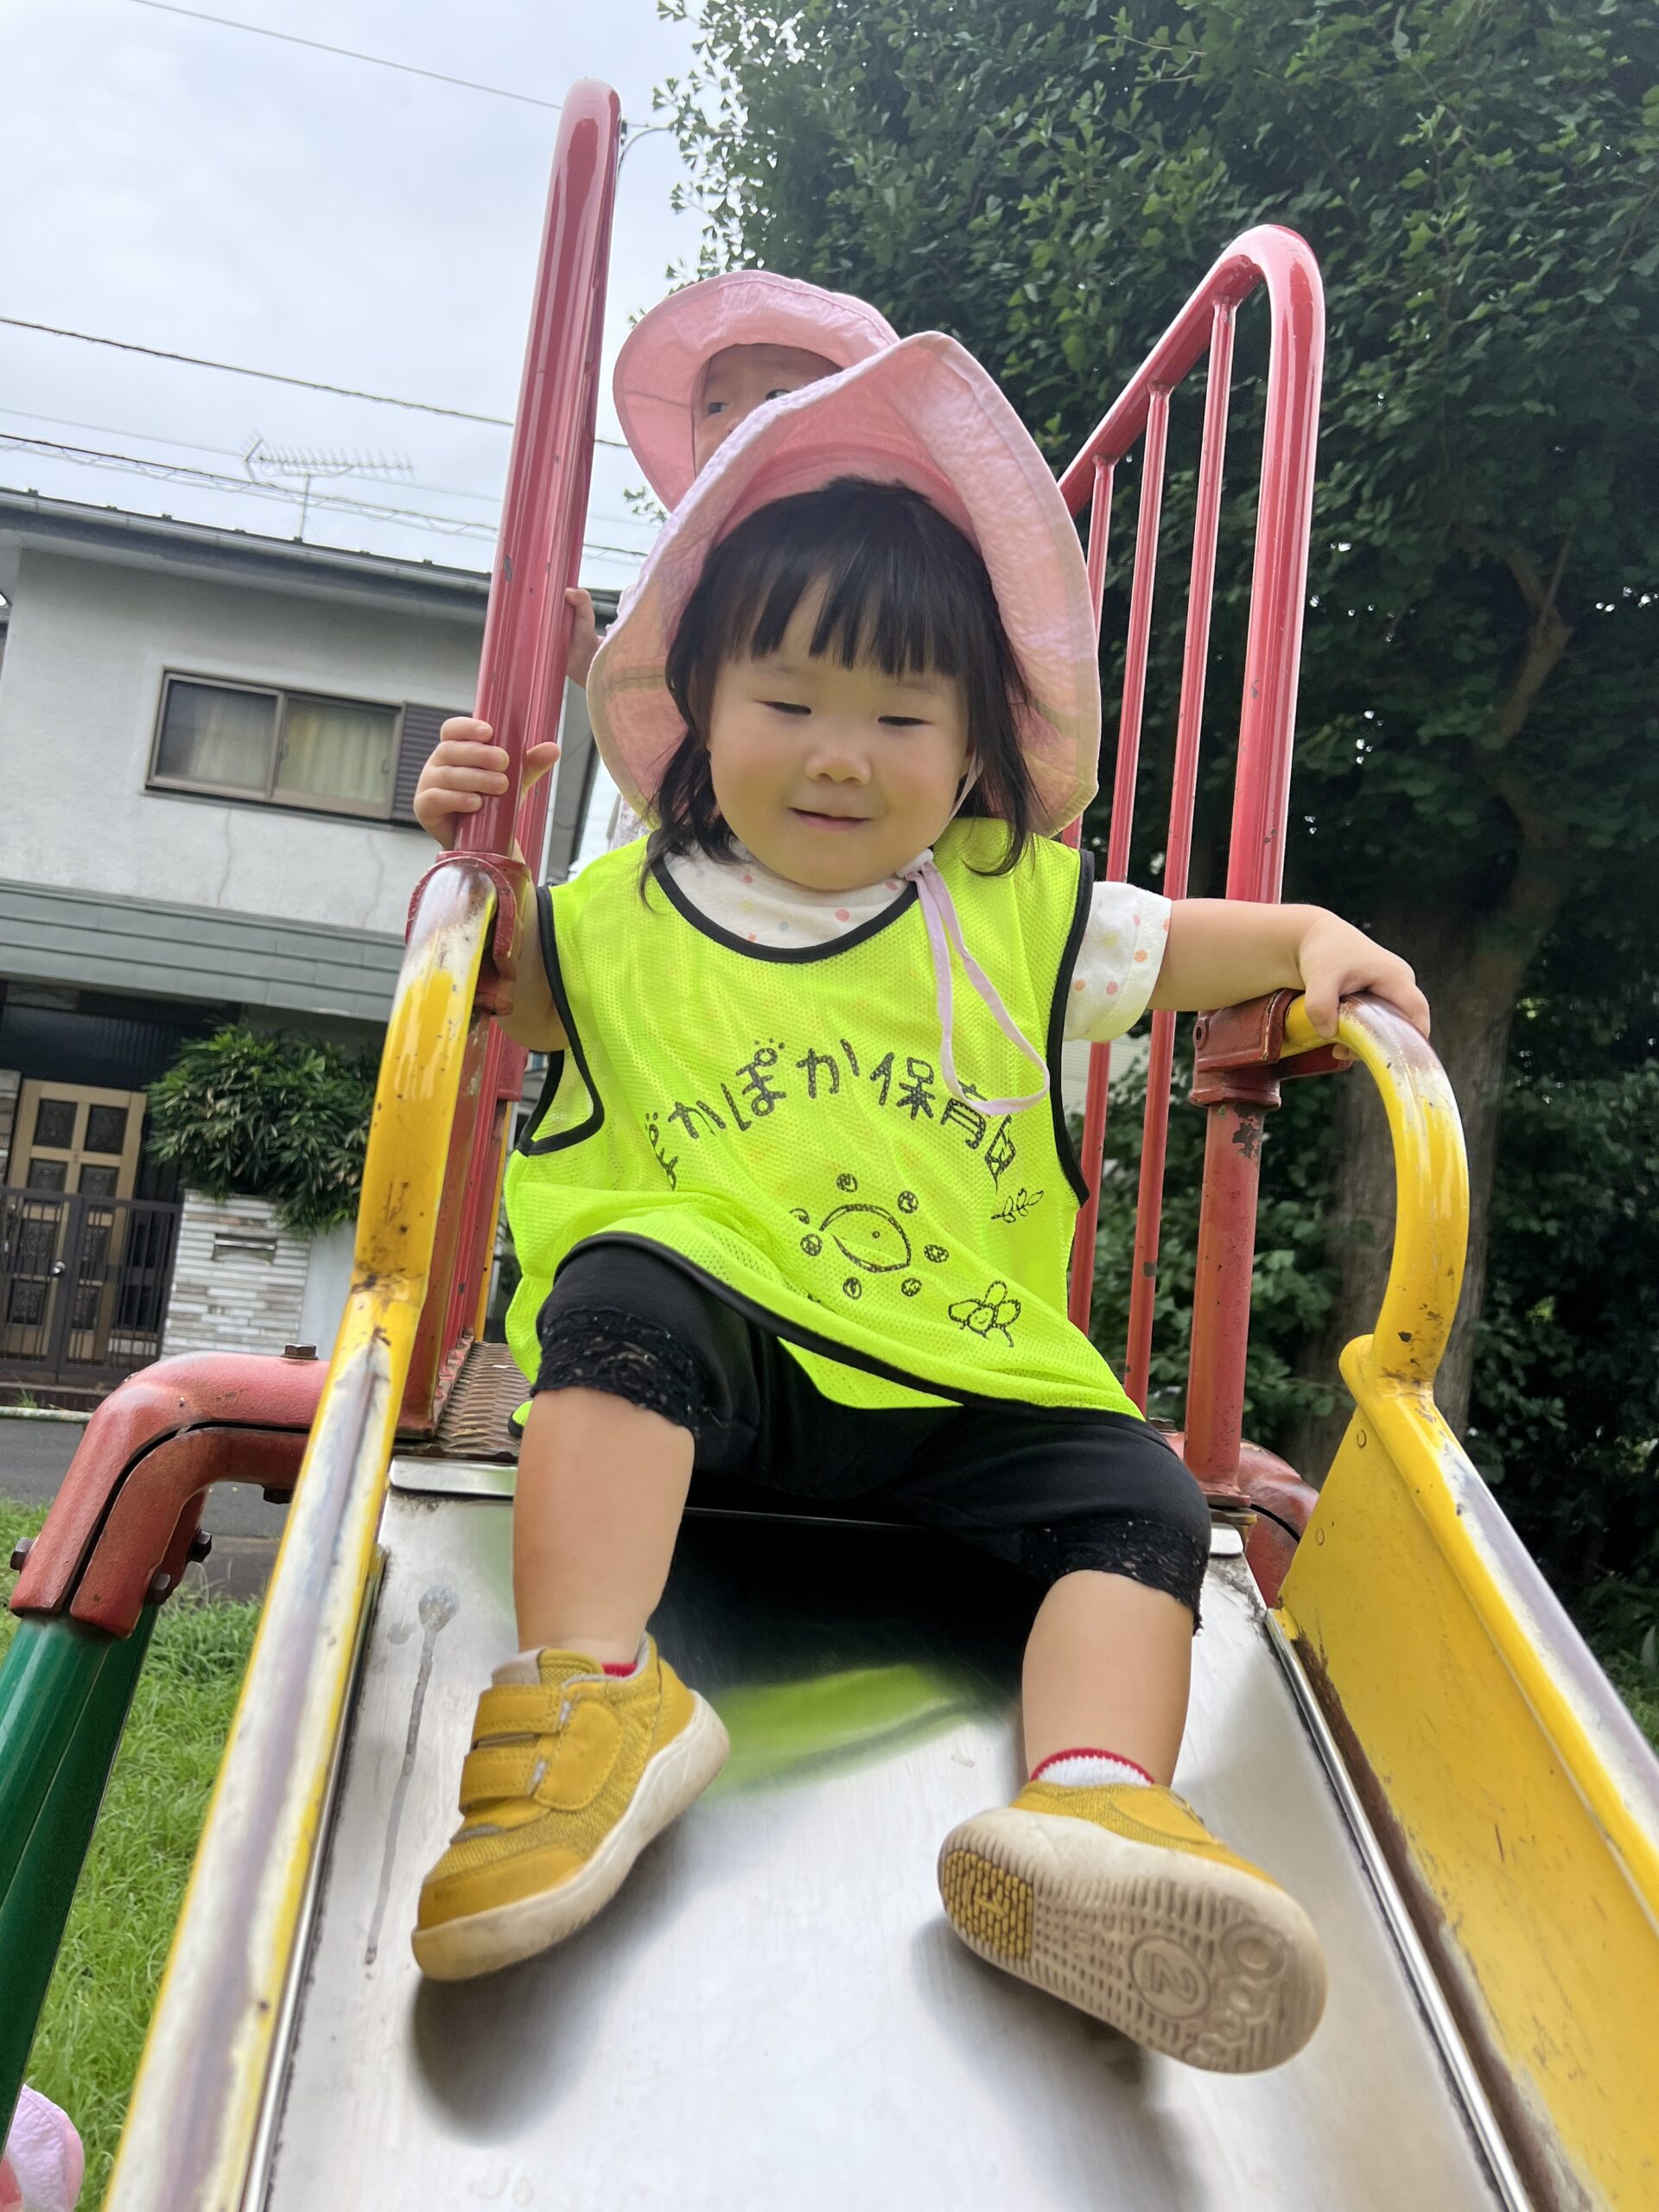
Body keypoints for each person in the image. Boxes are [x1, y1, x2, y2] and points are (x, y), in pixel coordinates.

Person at [407, 334, 1428, 2074]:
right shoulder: (616, 915)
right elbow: (477, 974)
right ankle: (594, 1692)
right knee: (626, 1287)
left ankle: (1090, 1802)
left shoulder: (1010, 908)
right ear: (698, 705)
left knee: (1140, 1497)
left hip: (955, 1381)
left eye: (900, 718)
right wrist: (463, 848)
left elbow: (1190, 942)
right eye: (789, 702)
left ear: (968, 754)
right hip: (717, 1382)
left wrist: (1312, 937)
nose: (840, 754)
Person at [559, 270, 899, 692]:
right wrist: (589, 658)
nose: (737, 423)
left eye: (777, 397)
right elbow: (654, 691)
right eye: (716, 406)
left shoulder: (892, 555)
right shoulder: (686, 574)